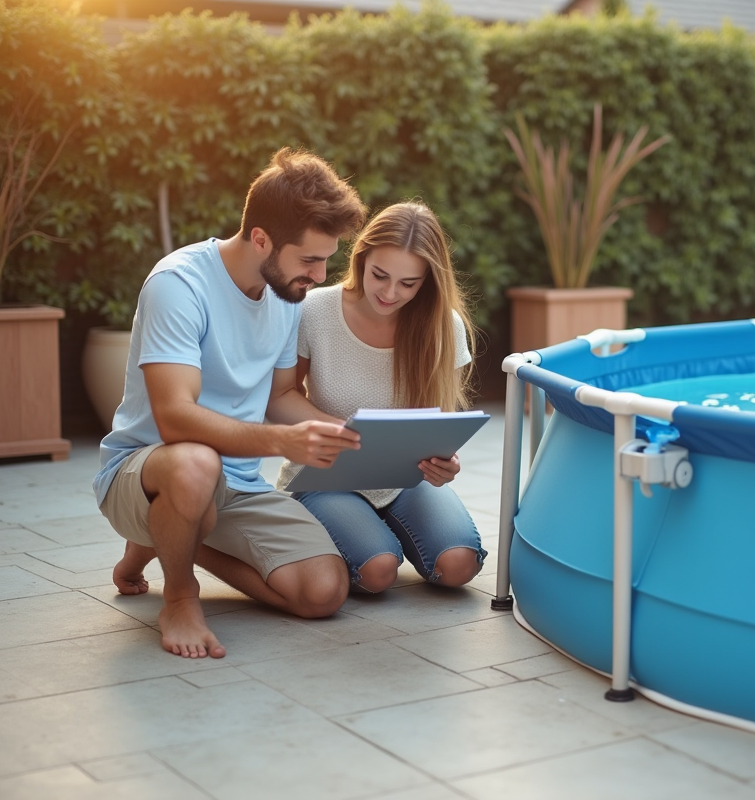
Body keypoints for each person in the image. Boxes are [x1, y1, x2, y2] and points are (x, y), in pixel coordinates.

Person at [94, 147, 369, 660]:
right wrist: (279, 441)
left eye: (326, 259)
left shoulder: (286, 296)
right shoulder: (179, 285)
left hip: (236, 485)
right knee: (196, 462)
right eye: (309, 259)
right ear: (261, 238)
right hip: (149, 469)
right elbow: (175, 417)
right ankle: (178, 595)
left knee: (323, 592)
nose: (320, 274)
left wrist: (356, 435)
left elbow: (279, 398)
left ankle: (173, 538)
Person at [275, 201, 486, 593]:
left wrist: (445, 463)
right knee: (378, 570)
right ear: (361, 257)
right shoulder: (315, 311)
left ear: (428, 281)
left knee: (459, 565)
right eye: (380, 275)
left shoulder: (444, 327)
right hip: (327, 474)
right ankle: (363, 531)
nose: (390, 293)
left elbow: (435, 424)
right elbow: (280, 397)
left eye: (409, 283)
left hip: (403, 479)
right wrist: (349, 434)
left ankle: (378, 525)